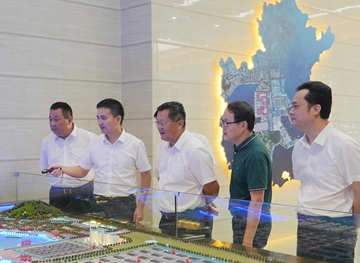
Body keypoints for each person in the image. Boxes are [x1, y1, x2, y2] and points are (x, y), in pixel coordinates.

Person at [289, 81, 360, 263]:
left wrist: (349, 228)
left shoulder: (344, 145)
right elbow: (307, 186)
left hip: (336, 226)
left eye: (295, 106)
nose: (291, 112)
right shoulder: (299, 146)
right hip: (305, 223)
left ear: (316, 109)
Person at [49, 98, 151, 223]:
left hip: (124, 202)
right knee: (97, 234)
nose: (99, 122)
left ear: (118, 119)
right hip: (98, 201)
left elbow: (146, 176)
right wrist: (62, 168)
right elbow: (81, 171)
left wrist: (140, 207)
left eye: (103, 118)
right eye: (98, 118)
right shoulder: (94, 143)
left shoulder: (135, 144)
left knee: (124, 235)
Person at [153, 101, 219, 238]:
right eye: (157, 123)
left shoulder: (195, 149)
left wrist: (203, 203)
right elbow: (162, 179)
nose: (159, 127)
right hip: (166, 217)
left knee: (194, 252)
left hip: (191, 218)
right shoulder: (161, 148)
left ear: (180, 123)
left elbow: (212, 186)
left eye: (163, 123)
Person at [221, 101, 272, 248]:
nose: (223, 127)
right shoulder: (241, 147)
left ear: (243, 125)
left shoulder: (254, 153)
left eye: (227, 122)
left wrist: (247, 242)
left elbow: (257, 201)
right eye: (222, 121)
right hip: (241, 219)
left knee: (248, 260)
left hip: (253, 224)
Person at [40, 102, 96, 213]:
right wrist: (51, 172)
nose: (52, 123)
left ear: (69, 119)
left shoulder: (89, 138)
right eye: (50, 119)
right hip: (57, 193)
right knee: (56, 223)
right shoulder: (47, 141)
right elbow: (44, 166)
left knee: (84, 223)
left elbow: (100, 167)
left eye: (56, 119)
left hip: (83, 192)